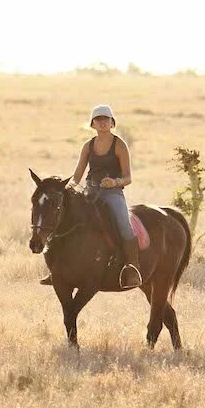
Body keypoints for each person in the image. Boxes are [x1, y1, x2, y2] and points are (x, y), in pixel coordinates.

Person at [44, 104, 142, 289]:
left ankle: (132, 269)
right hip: (89, 192)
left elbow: (128, 177)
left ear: (112, 123)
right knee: (64, 219)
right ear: (93, 124)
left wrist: (114, 182)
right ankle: (56, 270)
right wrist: (67, 190)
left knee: (124, 226)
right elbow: (77, 175)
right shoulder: (88, 146)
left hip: (112, 194)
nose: (103, 122)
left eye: (106, 119)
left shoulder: (119, 145)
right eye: (99, 120)